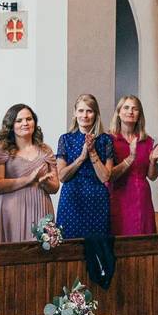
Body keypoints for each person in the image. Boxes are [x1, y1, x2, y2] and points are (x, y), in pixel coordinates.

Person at [0, 104, 60, 242]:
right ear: (11, 125)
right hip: (13, 210)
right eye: (19, 120)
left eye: (29, 119)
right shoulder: (2, 150)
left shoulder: (45, 150)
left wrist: (45, 183)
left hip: (41, 207)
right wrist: (29, 179)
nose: (25, 123)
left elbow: (56, 187)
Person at [107, 95, 158, 235]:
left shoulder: (147, 141)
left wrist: (153, 160)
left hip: (141, 196)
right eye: (126, 107)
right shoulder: (109, 140)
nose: (130, 111)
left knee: (142, 239)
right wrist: (130, 158)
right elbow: (107, 175)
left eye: (135, 109)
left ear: (139, 114)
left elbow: (151, 176)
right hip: (118, 196)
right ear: (118, 112)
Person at [54, 94, 113, 238]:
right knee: (68, 244)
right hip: (72, 198)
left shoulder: (106, 140)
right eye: (81, 111)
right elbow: (62, 176)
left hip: (96, 199)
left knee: (97, 245)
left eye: (89, 111)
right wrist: (81, 157)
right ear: (75, 113)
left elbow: (105, 176)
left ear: (96, 114)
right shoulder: (65, 139)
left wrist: (92, 152)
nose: (84, 115)